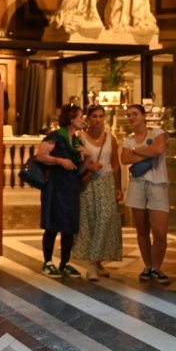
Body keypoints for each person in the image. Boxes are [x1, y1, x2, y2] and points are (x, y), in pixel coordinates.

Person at [34, 104, 88, 278]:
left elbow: (79, 169)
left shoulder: (76, 141)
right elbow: (40, 156)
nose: (83, 120)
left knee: (69, 226)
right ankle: (47, 262)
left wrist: (86, 157)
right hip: (56, 185)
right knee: (53, 223)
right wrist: (59, 160)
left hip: (71, 186)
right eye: (80, 117)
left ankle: (65, 263)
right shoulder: (56, 136)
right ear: (71, 119)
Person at [120, 104, 171, 284]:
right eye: (128, 115)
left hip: (157, 185)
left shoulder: (157, 132)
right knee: (142, 229)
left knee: (160, 231)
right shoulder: (128, 140)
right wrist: (146, 153)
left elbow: (158, 150)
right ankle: (148, 266)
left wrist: (136, 151)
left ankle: (157, 266)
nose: (131, 117)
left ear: (143, 116)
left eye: (135, 114)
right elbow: (124, 159)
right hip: (137, 186)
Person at [74, 104, 122, 280]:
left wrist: (118, 187)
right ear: (88, 118)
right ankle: (96, 261)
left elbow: (116, 164)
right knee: (90, 221)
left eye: (101, 116)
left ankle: (94, 264)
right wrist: (89, 166)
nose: (98, 119)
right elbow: (77, 162)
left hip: (107, 182)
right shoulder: (81, 138)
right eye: (94, 116)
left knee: (105, 219)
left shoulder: (111, 138)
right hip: (88, 184)